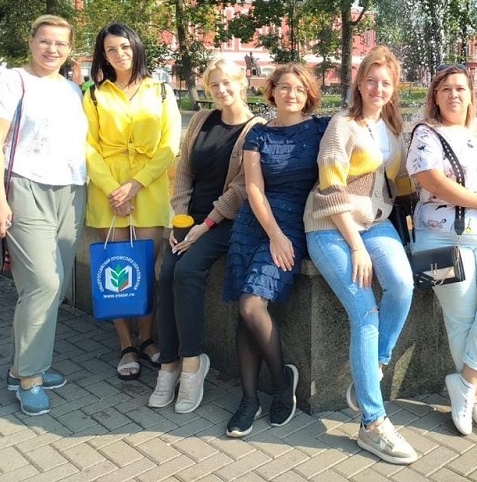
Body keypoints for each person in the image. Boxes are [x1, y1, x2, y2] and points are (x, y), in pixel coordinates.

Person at [304, 46, 417, 465]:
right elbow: (331, 188)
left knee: (402, 285)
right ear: (359, 83)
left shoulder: (393, 128)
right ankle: (372, 424)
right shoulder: (342, 125)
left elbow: (402, 185)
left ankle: (376, 364)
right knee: (366, 312)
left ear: (394, 88)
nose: (377, 88)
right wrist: (355, 246)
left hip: (376, 222)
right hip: (330, 226)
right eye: (371, 80)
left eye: (385, 83)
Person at [0, 15, 88, 416]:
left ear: (69, 48)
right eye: (44, 41)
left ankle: (22, 366)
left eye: (60, 43)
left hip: (72, 191)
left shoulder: (73, 90)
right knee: (43, 283)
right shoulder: (12, 81)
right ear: (31, 41)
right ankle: (29, 378)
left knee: (54, 288)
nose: (52, 49)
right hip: (26, 188)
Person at [407, 64, 477, 440]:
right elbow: (430, 180)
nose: (454, 95)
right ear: (435, 96)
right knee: (461, 320)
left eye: (460, 88)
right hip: (438, 240)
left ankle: (465, 383)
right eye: (446, 89)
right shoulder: (425, 133)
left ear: (472, 94)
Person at [149, 58, 262, 414]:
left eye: (227, 83)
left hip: (226, 221)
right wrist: (180, 220)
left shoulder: (255, 128)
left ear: (242, 83)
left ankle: (192, 363)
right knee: (165, 272)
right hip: (192, 217)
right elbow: (184, 170)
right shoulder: (201, 119)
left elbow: (241, 189)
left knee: (186, 272)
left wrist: (206, 224)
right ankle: (168, 364)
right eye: (214, 84)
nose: (221, 90)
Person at [223, 64, 330, 437]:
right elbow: (254, 189)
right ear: (271, 92)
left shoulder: (321, 129)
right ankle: (250, 399)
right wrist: (273, 234)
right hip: (255, 225)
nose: (291, 94)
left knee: (251, 305)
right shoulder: (258, 135)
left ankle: (283, 382)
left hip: (294, 223)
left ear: (309, 94)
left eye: (299, 88)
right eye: (284, 87)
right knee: (245, 310)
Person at [84, 22, 181, 380]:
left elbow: (170, 144)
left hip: (149, 187)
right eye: (111, 49)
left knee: (145, 269)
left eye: (124, 47)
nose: (119, 54)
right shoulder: (94, 94)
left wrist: (135, 185)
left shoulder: (161, 91)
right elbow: (87, 146)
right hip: (107, 191)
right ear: (103, 55)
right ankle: (126, 344)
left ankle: (147, 338)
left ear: (136, 48)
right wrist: (114, 188)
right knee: (115, 269)